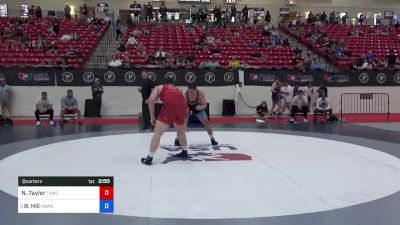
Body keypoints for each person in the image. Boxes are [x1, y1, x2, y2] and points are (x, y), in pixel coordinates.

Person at [141, 77, 189, 165]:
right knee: (181, 131)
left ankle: (149, 158)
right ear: (173, 84)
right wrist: (184, 119)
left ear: (164, 83)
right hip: (182, 108)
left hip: (170, 108)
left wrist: (152, 116)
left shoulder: (159, 87)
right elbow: (185, 103)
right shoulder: (179, 89)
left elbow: (151, 100)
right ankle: (184, 152)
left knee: (158, 133)